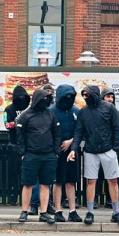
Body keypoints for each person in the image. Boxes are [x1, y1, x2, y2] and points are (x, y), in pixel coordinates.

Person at [70, 85, 119, 226]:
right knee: (91, 181)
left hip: (108, 150)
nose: (85, 97)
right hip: (90, 151)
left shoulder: (109, 108)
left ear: (94, 94)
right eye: (83, 95)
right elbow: (78, 132)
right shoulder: (83, 112)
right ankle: (90, 212)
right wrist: (73, 149)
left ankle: (116, 212)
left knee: (113, 181)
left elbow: (118, 126)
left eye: (87, 95)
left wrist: (115, 147)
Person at [15, 87, 59, 224]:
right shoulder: (25, 115)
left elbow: (57, 132)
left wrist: (55, 151)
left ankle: (44, 212)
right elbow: (19, 136)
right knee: (27, 184)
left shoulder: (50, 114)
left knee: (46, 184)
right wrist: (23, 153)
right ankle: (24, 211)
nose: (45, 101)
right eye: (43, 98)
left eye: (48, 99)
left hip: (48, 155)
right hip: (31, 155)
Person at [51, 84, 81, 223]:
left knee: (70, 181)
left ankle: (72, 210)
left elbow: (80, 130)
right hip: (56, 151)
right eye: (66, 96)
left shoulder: (76, 111)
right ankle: (57, 210)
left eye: (71, 96)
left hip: (72, 150)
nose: (68, 99)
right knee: (57, 181)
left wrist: (71, 141)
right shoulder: (51, 111)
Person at [3, 85, 31, 207]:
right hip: (13, 144)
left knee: (25, 173)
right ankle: (12, 197)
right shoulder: (8, 109)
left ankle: (24, 197)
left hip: (27, 145)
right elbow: (6, 125)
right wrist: (17, 122)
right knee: (13, 172)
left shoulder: (30, 109)